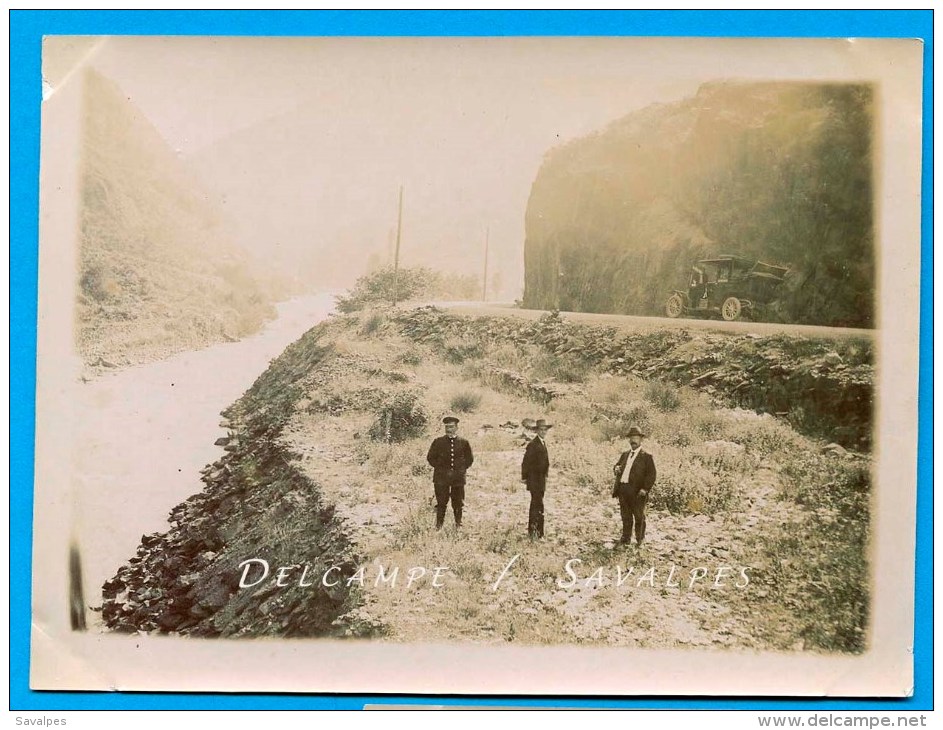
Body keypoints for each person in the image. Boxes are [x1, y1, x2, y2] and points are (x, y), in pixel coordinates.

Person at [426, 416, 474, 529]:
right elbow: (430, 458)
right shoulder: (438, 442)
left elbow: (469, 459)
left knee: (458, 502)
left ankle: (458, 524)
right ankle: (439, 525)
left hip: (458, 478)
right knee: (441, 502)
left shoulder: (464, 442)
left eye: (451, 427)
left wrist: (460, 470)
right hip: (441, 479)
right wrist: (440, 469)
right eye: (447, 427)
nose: (449, 429)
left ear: (457, 427)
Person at [612, 425, 656, 547]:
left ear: (641, 440)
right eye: (631, 438)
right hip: (623, 490)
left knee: (639, 516)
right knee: (625, 516)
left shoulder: (647, 457)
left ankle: (640, 540)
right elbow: (617, 466)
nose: (633, 441)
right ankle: (626, 538)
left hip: (637, 492)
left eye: (636, 438)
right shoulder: (625, 455)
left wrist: (645, 489)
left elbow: (651, 475)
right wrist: (616, 468)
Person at [521, 419, 552, 538]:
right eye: (541, 430)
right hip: (535, 480)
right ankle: (534, 531)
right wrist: (525, 477)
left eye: (545, 430)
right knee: (536, 504)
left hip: (541, 479)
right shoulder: (533, 445)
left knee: (539, 504)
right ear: (537, 431)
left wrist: (546, 475)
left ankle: (538, 531)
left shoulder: (542, 443)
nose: (543, 432)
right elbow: (525, 463)